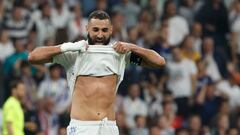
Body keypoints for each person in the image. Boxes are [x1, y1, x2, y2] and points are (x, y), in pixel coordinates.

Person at [28, 10, 165, 135]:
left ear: (111, 30)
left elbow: (159, 62)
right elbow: (33, 57)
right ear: (87, 29)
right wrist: (67, 47)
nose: (100, 35)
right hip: (82, 128)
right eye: (96, 30)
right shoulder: (73, 54)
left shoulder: (120, 55)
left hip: (109, 127)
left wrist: (132, 47)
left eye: (104, 30)